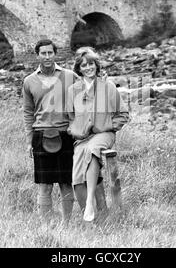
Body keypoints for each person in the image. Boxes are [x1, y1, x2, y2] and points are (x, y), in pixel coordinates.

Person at [67, 47, 130, 222]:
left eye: (91, 64)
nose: (88, 68)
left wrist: (108, 126)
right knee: (77, 179)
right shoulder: (73, 90)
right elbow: (70, 119)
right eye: (84, 65)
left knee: (93, 149)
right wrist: (75, 131)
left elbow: (123, 114)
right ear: (78, 69)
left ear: (97, 65)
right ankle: (91, 220)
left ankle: (89, 202)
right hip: (83, 139)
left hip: (104, 135)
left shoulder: (107, 87)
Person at [22, 39, 76, 223]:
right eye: (43, 53)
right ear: (37, 55)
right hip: (40, 134)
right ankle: (46, 227)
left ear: (55, 54)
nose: (47, 57)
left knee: (66, 183)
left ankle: (66, 224)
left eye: (50, 53)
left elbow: (82, 102)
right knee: (44, 185)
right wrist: (29, 140)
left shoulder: (70, 76)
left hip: (66, 134)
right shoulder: (29, 81)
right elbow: (28, 112)